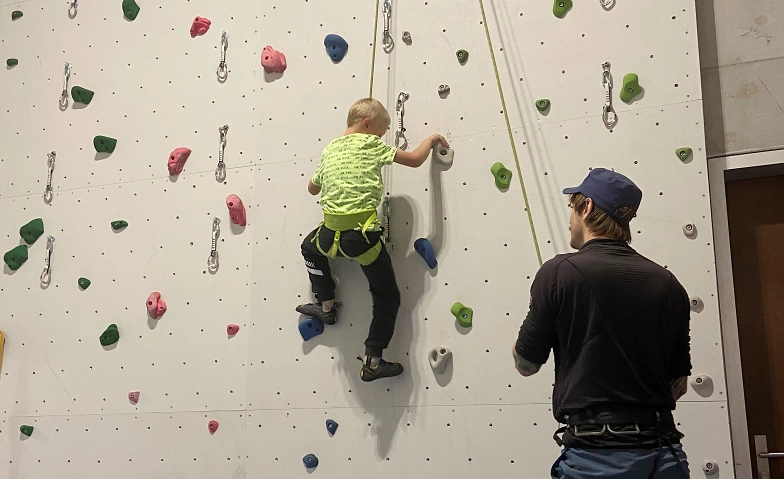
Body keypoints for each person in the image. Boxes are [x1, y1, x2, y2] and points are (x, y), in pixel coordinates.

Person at [512, 168, 692, 479]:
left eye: (573, 207)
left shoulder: (558, 273)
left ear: (587, 207)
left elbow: (526, 364)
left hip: (594, 459)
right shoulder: (669, 284)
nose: (570, 218)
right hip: (663, 457)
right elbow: (677, 385)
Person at [296, 98, 449, 382]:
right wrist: (431, 139)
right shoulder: (371, 145)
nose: (382, 137)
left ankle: (326, 304)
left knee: (309, 249)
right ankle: (373, 361)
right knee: (387, 296)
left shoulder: (330, 148)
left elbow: (311, 188)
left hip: (329, 236)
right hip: (360, 238)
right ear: (367, 125)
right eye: (381, 131)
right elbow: (415, 160)